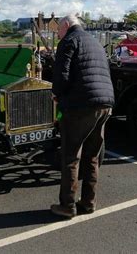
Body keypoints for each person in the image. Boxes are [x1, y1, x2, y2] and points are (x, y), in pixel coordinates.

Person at [50, 14, 115, 218]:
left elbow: (62, 74)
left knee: (71, 156)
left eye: (58, 30)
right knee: (92, 156)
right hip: (105, 103)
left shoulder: (69, 41)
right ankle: (88, 203)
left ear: (67, 25)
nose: (57, 34)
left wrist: (56, 94)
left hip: (81, 105)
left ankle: (67, 205)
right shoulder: (94, 41)